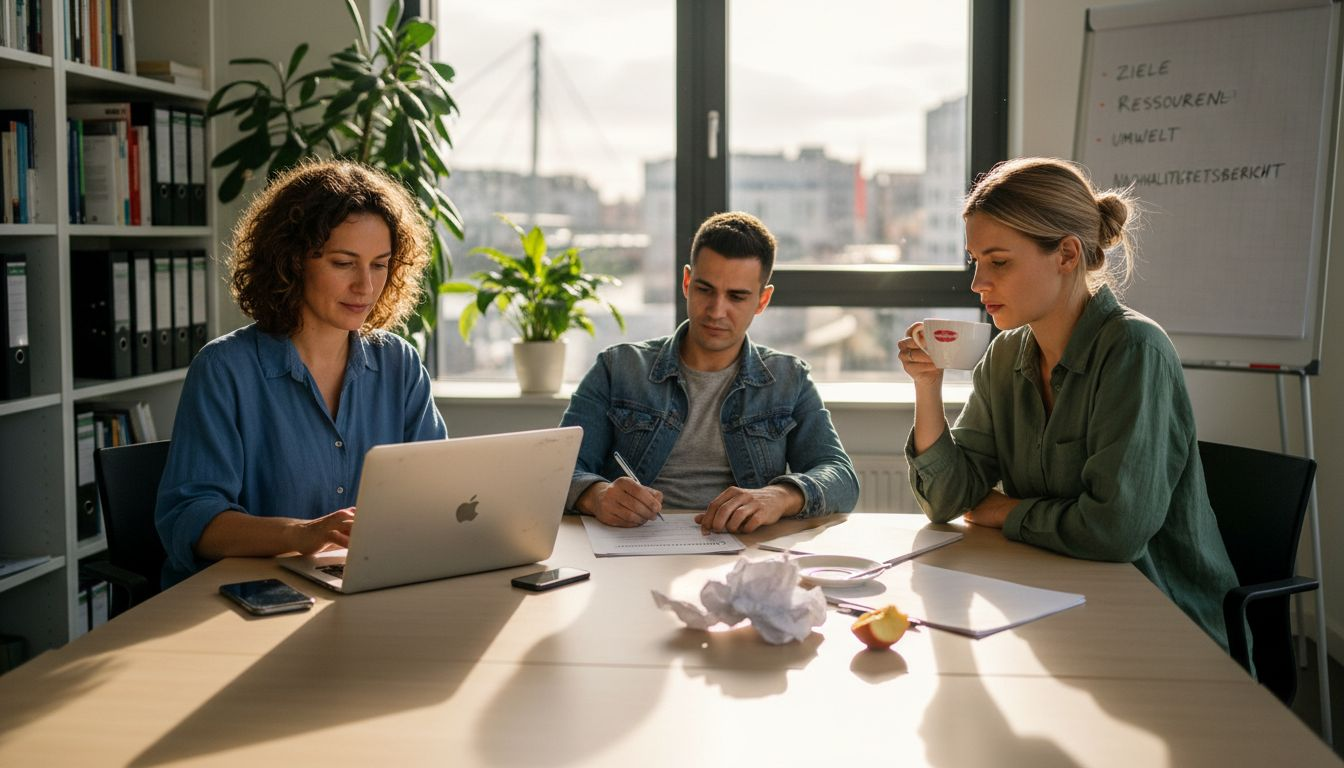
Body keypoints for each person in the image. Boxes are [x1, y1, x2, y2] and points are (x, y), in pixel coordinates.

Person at [900, 157, 1238, 648]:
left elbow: (1113, 532)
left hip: (1159, 620)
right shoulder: (1006, 355)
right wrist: (927, 386)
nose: (977, 283)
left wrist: (1004, 511)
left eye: (999, 261)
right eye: (976, 262)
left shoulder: (1135, 351)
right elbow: (947, 502)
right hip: (1054, 599)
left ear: (1065, 254)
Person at [155, 159, 447, 583]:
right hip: (248, 601)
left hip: (365, 589)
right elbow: (192, 521)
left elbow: (438, 491)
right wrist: (303, 533)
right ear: (291, 261)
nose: (365, 286)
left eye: (380, 264)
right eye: (344, 263)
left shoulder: (399, 364)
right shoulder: (225, 370)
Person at [560, 211, 859, 534]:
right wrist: (597, 495)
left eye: (737, 296)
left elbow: (841, 477)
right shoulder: (618, 368)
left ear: (762, 300)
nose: (717, 311)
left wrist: (780, 496)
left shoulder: (789, 379)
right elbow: (559, 469)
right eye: (705, 290)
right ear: (687, 282)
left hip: (742, 554)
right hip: (629, 547)